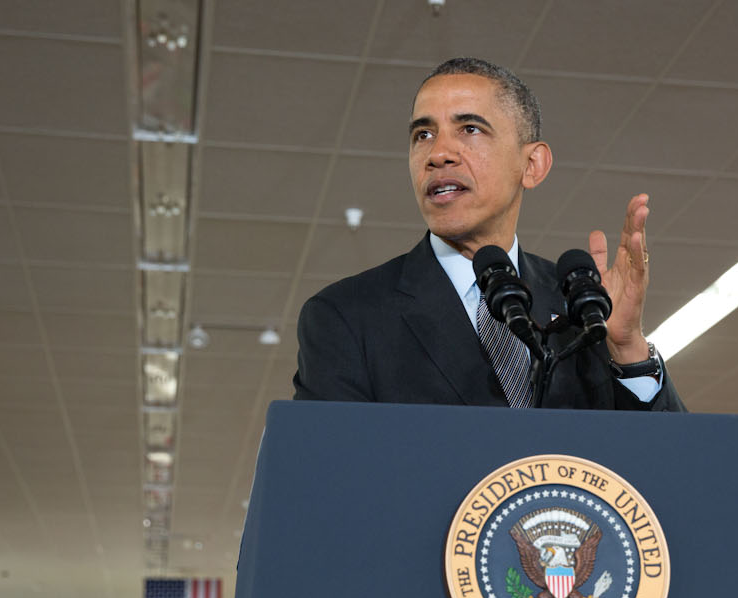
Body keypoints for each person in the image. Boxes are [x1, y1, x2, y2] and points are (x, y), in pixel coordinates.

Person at [292, 57, 685, 412]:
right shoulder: (346, 316)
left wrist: (628, 348)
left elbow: (669, 473)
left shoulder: (584, 308)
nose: (438, 153)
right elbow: (330, 476)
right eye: (423, 135)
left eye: (469, 128)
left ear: (532, 164)